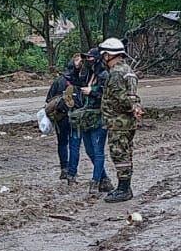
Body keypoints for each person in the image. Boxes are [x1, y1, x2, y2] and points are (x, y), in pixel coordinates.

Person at [98, 38, 143, 203]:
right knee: (126, 152)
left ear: (109, 55)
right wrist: (135, 107)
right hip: (127, 121)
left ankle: (124, 189)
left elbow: (120, 97)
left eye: (104, 54)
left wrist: (132, 107)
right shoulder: (128, 70)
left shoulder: (116, 73)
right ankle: (124, 187)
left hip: (119, 121)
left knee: (119, 154)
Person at [72, 48, 110, 192]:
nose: (88, 61)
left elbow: (107, 96)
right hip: (87, 116)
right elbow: (74, 82)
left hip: (100, 116)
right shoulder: (89, 74)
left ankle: (95, 182)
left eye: (90, 58)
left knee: (98, 150)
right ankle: (104, 179)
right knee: (89, 150)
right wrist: (75, 68)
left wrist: (92, 92)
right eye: (86, 58)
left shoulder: (105, 75)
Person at [45, 56, 80, 181]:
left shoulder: (58, 81)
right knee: (74, 144)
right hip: (77, 116)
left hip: (60, 117)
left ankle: (64, 168)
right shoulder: (81, 81)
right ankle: (72, 172)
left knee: (62, 143)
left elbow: (48, 101)